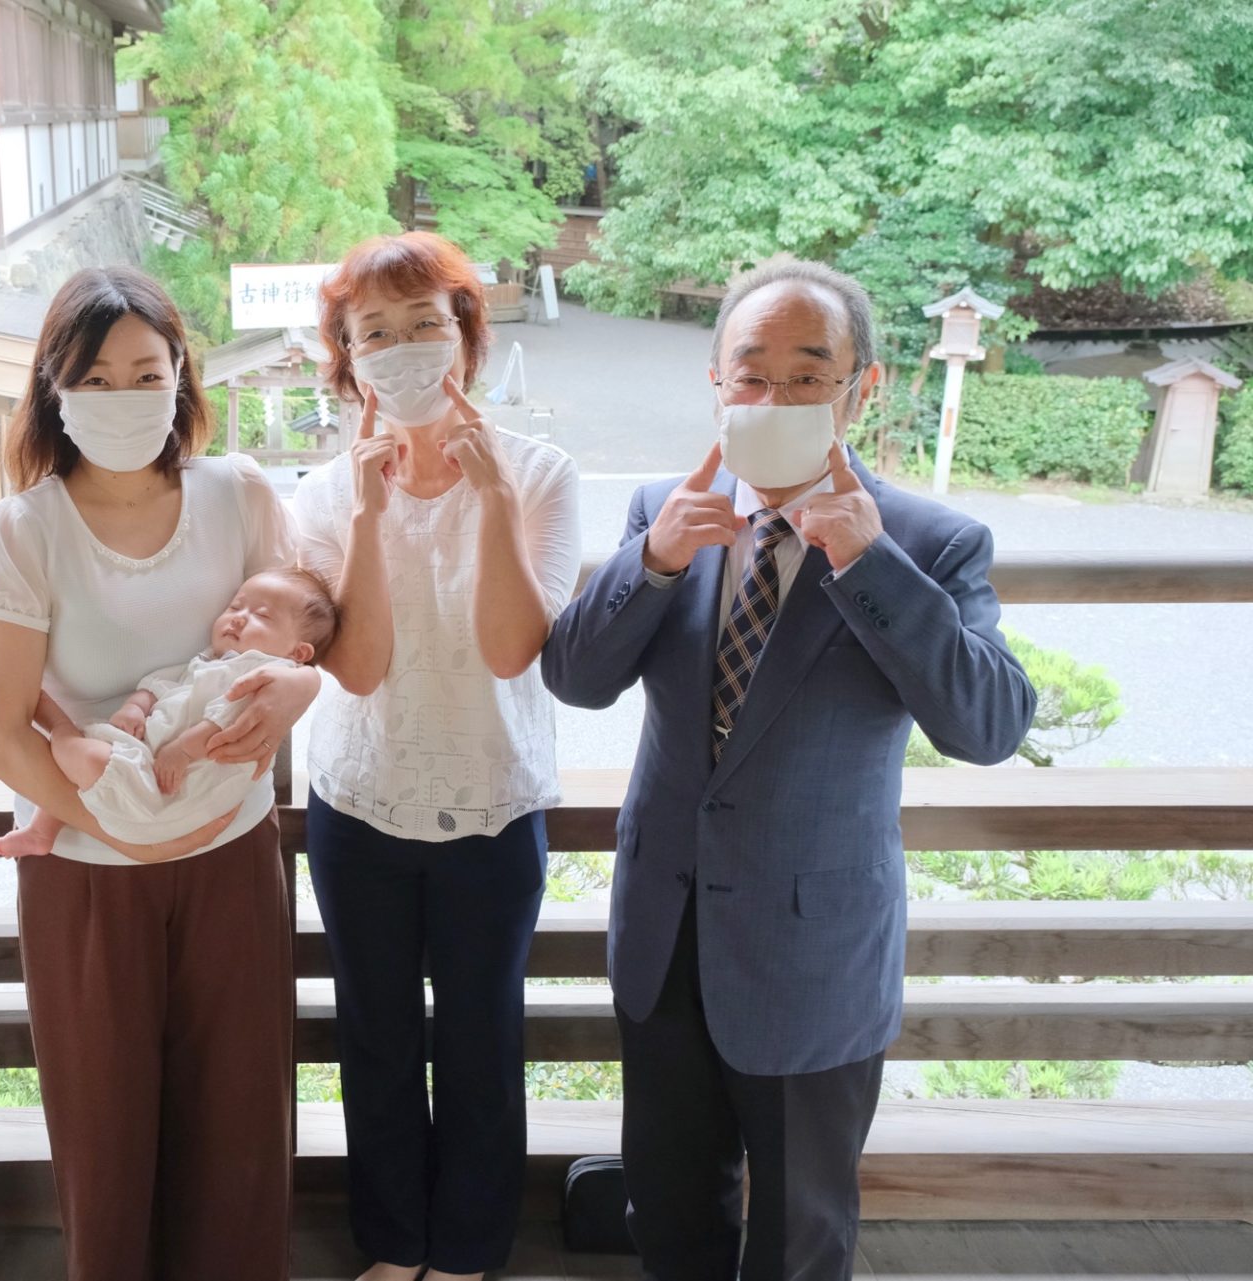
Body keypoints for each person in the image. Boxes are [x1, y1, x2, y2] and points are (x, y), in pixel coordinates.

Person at [542, 260, 1036, 1280]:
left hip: (815, 947)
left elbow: (988, 725)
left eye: (807, 377)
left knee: (800, 1233)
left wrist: (870, 565)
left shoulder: (930, 542)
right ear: (716, 384)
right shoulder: (662, 507)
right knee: (671, 1209)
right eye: (750, 375)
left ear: (862, 388)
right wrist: (653, 565)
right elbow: (577, 678)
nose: (772, 399)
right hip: (666, 928)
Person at [0, 266, 321, 1281]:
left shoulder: (239, 493)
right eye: (98, 377)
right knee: (105, 1139)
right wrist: (118, 827)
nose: (126, 397)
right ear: (55, 389)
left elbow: (307, 638)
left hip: (231, 858)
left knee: (240, 1128)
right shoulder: (26, 529)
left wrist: (304, 691)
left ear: (181, 380)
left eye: (146, 372)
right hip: (86, 870)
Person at [290, 231, 583, 1281]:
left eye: (426, 324)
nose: (404, 347)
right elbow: (357, 669)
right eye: (377, 332)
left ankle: (465, 1250)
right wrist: (369, 516)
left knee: (479, 1037)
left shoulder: (542, 473)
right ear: (348, 360)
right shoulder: (322, 496)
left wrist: (494, 499)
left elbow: (515, 649)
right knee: (372, 1035)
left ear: (465, 339)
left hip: (493, 808)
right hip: (359, 803)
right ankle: (390, 1243)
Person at [0, 566, 338, 854]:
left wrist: (183, 750)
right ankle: (42, 830)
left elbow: (231, 721)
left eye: (262, 616)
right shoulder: (209, 659)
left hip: (178, 786)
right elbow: (160, 683)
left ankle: (57, 726)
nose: (239, 619)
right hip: (147, 758)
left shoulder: (263, 672)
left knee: (80, 754)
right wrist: (136, 707)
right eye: (235, 607)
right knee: (81, 766)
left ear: (299, 653)